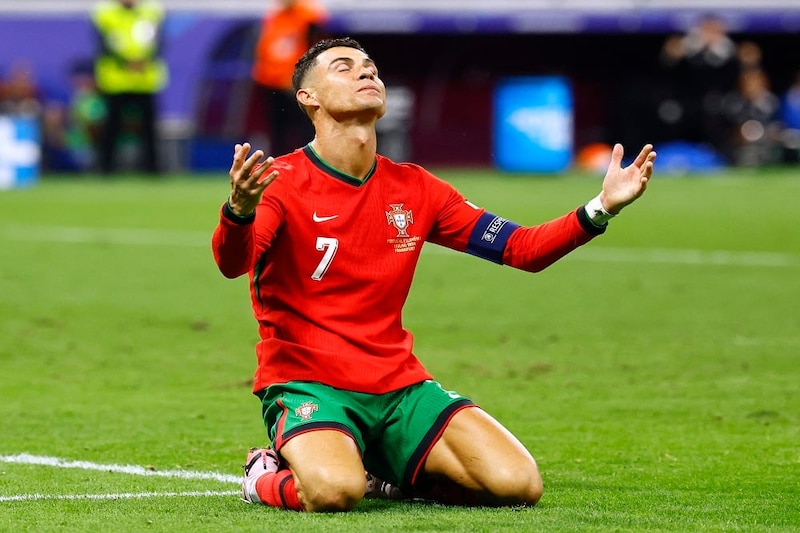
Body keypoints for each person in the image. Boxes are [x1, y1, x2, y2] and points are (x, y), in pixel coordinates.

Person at [211, 37, 656, 513]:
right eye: (345, 68)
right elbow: (233, 263)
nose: (367, 74)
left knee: (518, 485)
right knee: (334, 491)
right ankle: (263, 474)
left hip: (397, 385)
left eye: (371, 68)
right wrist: (238, 211)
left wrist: (600, 208)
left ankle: (387, 471)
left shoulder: (416, 187)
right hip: (308, 382)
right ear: (308, 97)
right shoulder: (279, 182)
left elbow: (522, 249)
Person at [91, 0, 168, 174]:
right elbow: (103, 45)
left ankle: (152, 168)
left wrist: (142, 61)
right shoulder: (105, 14)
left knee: (149, 129)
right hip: (116, 81)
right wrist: (127, 62)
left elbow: (158, 43)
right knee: (112, 127)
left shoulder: (152, 11)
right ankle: (105, 168)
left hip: (144, 81)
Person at [251, 0, 328, 157]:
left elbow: (315, 49)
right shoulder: (274, 17)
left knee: (304, 127)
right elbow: (265, 50)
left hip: (299, 83)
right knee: (277, 129)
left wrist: (301, 77)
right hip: (272, 83)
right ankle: (279, 164)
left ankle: (309, 163)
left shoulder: (309, 16)